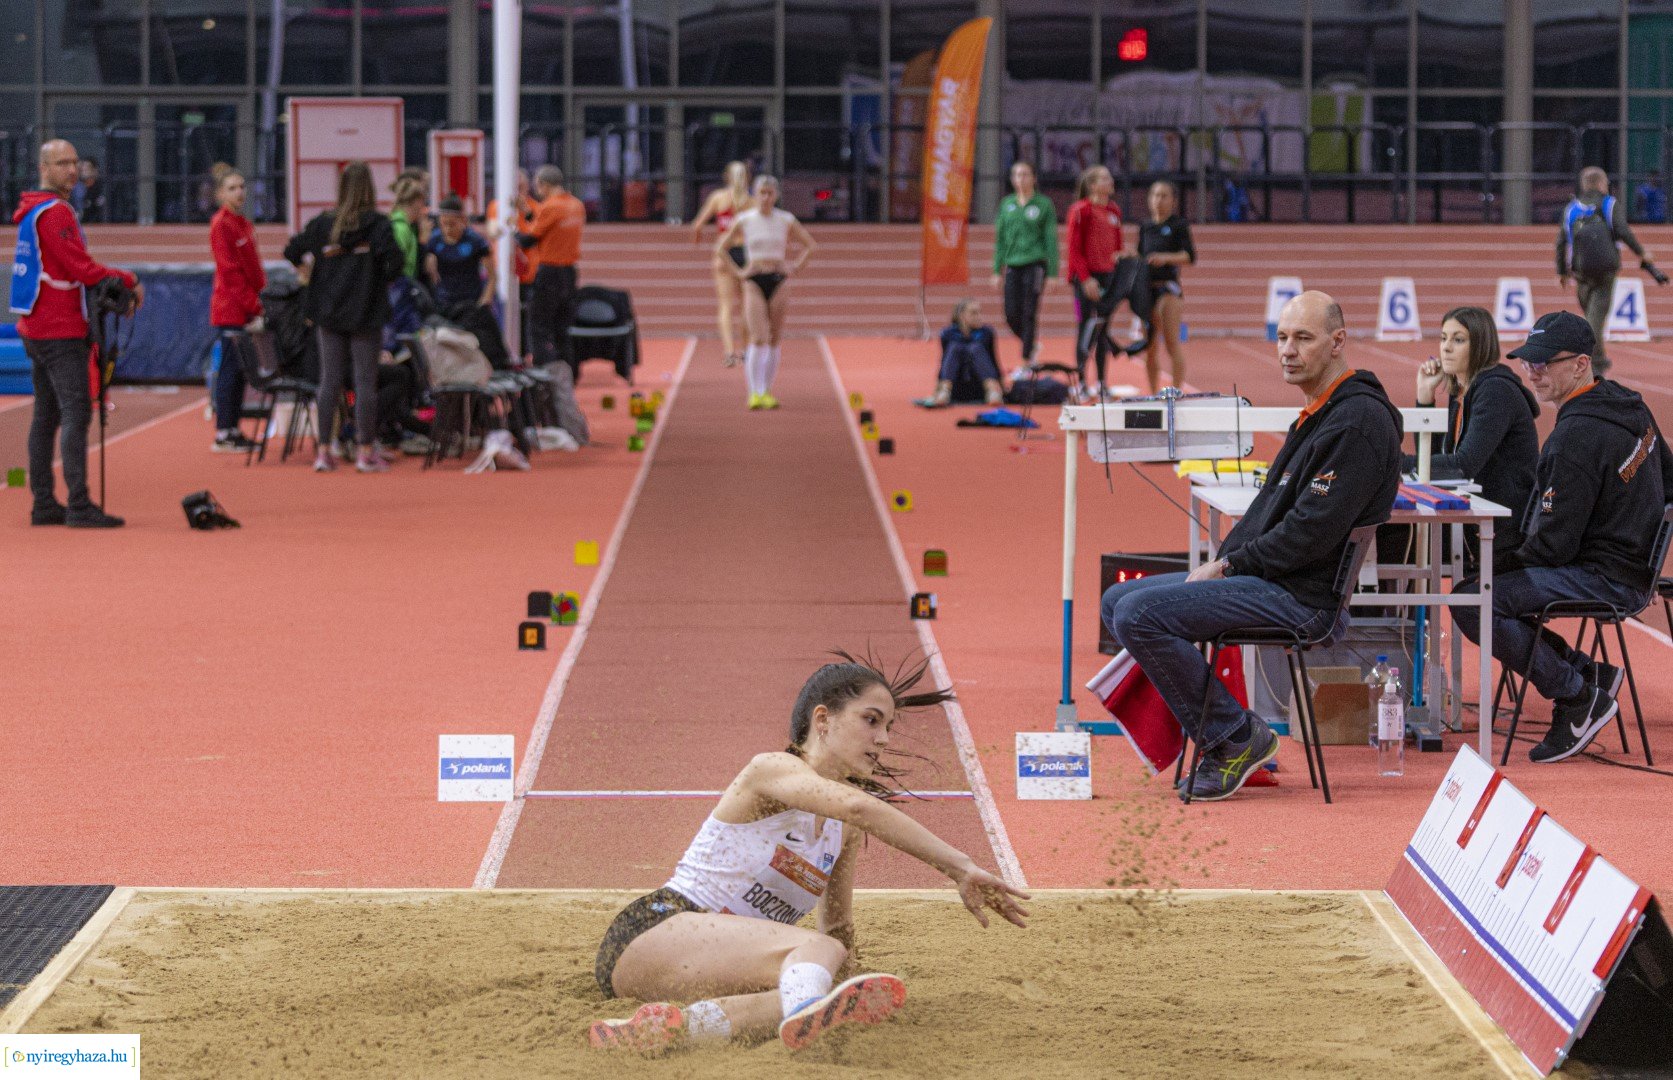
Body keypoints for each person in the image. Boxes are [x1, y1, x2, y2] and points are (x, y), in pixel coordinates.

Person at [587, 653, 1028, 1053]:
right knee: (816, 958)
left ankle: (679, 1029)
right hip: (653, 934)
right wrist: (961, 867)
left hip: (702, 966)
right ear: (823, 719)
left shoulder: (844, 829)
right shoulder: (771, 770)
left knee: (824, 970)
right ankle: (807, 1022)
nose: (885, 739)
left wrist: (843, 978)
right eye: (871, 720)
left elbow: (838, 927)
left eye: (889, 726)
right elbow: (859, 804)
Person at [1100, 292, 1402, 802]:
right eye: (1282, 338)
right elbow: (1269, 513)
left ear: (1338, 342)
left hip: (1303, 598)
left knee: (1138, 615)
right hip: (1268, 579)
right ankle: (1227, 729)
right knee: (1117, 602)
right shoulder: (1318, 414)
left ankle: (1235, 738)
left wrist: (1232, 564)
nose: (1287, 350)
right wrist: (1225, 563)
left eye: (1303, 338)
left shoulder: (1359, 423)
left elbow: (1311, 532)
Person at [1454, 311, 1673, 763]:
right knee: (1483, 589)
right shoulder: (1629, 403)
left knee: (1471, 599)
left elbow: (1553, 548)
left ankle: (1577, 697)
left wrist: (1495, 563)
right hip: (1630, 568)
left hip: (1605, 576)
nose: (1533, 371)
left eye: (1544, 363)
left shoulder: (1571, 439)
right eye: (1528, 361)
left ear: (1580, 364)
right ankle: (1584, 672)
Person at [11, 139, 142, 528]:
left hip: (36, 326)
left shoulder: (34, 211)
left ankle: (44, 503)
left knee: (46, 414)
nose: (72, 169)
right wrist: (129, 278)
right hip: (58, 328)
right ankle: (79, 505)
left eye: (74, 162)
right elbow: (82, 269)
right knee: (76, 412)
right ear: (44, 169)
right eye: (62, 163)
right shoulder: (55, 213)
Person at [283, 161, 404, 474]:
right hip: (365, 311)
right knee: (366, 382)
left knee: (329, 381)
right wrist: (374, 277)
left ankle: (324, 452)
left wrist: (309, 272)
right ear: (370, 188)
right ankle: (365, 451)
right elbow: (395, 265)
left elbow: (292, 250)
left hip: (329, 311)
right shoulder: (377, 225)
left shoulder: (324, 224)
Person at [1403, 306, 1538, 573]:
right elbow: (1433, 460)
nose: (1446, 348)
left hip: (1502, 532)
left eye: (1458, 340)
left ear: (1480, 345)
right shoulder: (1463, 391)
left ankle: (1388, 614)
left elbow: (1462, 465)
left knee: (1398, 540)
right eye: (1443, 338)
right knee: (1391, 537)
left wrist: (1393, 464)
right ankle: (1391, 614)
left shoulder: (1495, 391)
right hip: (1471, 519)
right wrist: (1425, 397)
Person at [715, 175, 815, 410]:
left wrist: (794, 267)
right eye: (761, 193)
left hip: (779, 280)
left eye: (770, 193)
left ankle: (767, 390)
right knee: (758, 337)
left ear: (776, 196)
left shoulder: (785, 220)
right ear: (755, 194)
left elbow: (810, 245)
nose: (765, 198)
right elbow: (721, 248)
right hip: (754, 280)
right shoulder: (745, 219)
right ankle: (754, 391)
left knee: (774, 338)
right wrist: (739, 271)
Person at [1557, 167, 1655, 379]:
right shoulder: (1609, 204)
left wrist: (1561, 272)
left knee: (1591, 315)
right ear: (1602, 184)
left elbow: (1561, 242)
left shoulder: (1572, 209)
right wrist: (1641, 252)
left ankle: (1598, 360)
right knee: (1594, 318)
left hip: (1581, 272)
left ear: (1584, 185)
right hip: (1606, 270)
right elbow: (1622, 230)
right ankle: (1597, 360)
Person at [1065, 165, 1139, 399]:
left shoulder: (1113, 210)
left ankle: (1102, 382)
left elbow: (1117, 245)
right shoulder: (1081, 210)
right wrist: (1086, 280)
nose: (1111, 181)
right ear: (1093, 185)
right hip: (1085, 279)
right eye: (1105, 179)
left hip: (1108, 276)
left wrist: (1123, 257)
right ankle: (1081, 383)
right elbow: (1074, 250)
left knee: (1103, 330)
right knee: (1086, 328)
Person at [208, 164, 266, 454]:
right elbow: (230, 273)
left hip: (246, 308)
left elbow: (253, 268)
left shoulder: (243, 224)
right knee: (230, 370)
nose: (239, 192)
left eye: (242, 186)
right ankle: (223, 432)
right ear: (220, 194)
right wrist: (255, 304)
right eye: (232, 188)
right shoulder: (222, 225)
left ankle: (233, 428)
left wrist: (260, 298)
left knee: (241, 371)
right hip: (231, 309)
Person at [989, 161, 1057, 366]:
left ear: (1034, 178)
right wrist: (996, 270)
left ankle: (1026, 359)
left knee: (1029, 311)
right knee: (1011, 313)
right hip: (1012, 264)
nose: (1021, 179)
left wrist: (1053, 273)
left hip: (1035, 264)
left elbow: (1051, 241)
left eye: (1025, 174)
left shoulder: (1043, 205)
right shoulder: (1007, 205)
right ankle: (1030, 343)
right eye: (1016, 175)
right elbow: (999, 239)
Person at [522, 165, 585, 374]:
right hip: (569, 272)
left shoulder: (551, 207)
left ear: (543, 184)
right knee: (562, 328)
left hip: (550, 272)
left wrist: (511, 230)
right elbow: (550, 227)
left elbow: (529, 239)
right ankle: (569, 374)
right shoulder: (576, 205)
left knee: (538, 326)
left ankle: (544, 375)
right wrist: (529, 213)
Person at [691, 161, 754, 367]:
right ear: (747, 178)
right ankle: (745, 351)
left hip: (723, 253)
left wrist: (697, 242)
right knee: (745, 305)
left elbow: (697, 225)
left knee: (725, 306)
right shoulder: (752, 202)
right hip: (746, 253)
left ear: (726, 177)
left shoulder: (718, 198)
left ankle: (729, 352)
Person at [1138, 180, 1195, 395]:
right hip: (1146, 289)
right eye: (1154, 195)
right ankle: (1153, 393)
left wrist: (1165, 258)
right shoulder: (1145, 226)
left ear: (1173, 200)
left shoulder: (1179, 225)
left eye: (1163, 196)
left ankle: (1176, 391)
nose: (1158, 200)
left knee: (1171, 343)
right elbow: (1140, 255)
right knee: (1150, 348)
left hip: (1168, 288)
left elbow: (1189, 256)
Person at [919, 299, 1003, 408]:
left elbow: (993, 360)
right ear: (961, 315)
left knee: (976, 348)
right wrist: (938, 385)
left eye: (980, 312)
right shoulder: (947, 334)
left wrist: (1001, 384)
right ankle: (944, 392)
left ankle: (993, 391)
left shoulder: (987, 333)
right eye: (974, 313)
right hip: (955, 386)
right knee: (955, 347)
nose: (979, 316)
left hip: (980, 386)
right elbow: (944, 362)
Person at [424, 195, 494, 314]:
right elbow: (427, 271)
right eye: (443, 224)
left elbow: (492, 276)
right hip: (443, 303)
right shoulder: (434, 240)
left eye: (452, 224)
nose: (447, 229)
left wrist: (485, 301)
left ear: (462, 220)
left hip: (470, 304)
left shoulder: (476, 241)